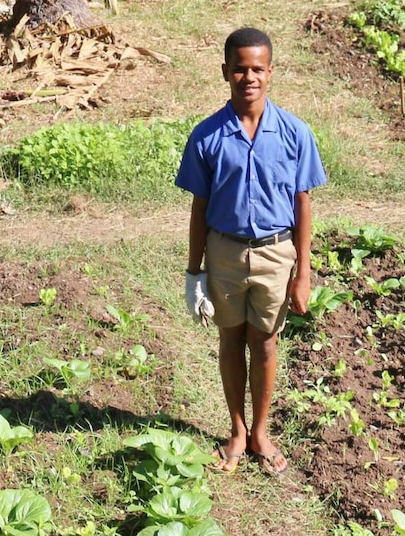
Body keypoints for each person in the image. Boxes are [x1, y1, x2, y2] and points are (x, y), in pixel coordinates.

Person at [176, 27, 327, 475]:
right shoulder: (206, 137)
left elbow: (302, 203)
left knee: (264, 343)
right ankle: (237, 430)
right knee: (230, 339)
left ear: (271, 72)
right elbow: (199, 208)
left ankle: (261, 431)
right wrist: (193, 273)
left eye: (258, 68)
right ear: (225, 72)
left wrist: (303, 272)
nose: (249, 77)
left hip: (276, 253)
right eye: (239, 68)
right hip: (224, 252)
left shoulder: (295, 133)